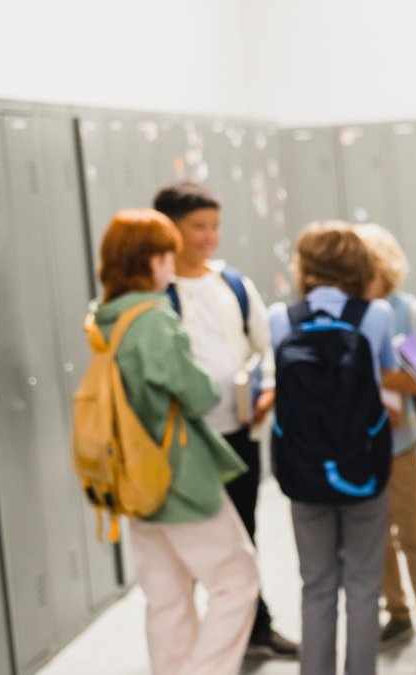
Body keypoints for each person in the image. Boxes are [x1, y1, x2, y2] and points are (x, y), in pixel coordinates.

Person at [92, 209, 259, 675]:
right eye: (167, 251)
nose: (173, 260)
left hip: (133, 476)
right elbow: (200, 392)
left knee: (166, 598)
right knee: (237, 580)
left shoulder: (107, 319)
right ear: (150, 260)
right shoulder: (155, 321)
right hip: (178, 475)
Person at [151, 182, 298, 660]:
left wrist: (270, 387)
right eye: (199, 227)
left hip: (237, 435)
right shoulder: (156, 293)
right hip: (183, 444)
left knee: (243, 537)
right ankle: (198, 643)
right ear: (169, 227)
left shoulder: (231, 283)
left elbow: (266, 346)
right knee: (187, 548)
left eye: (215, 226)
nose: (209, 237)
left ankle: (255, 629)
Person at [268, 222, 398, 675]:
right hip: (362, 466)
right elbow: (387, 378)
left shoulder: (280, 319)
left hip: (303, 470)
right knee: (364, 586)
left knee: (316, 586)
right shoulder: (376, 315)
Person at [355, 223, 416, 672]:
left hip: (400, 445)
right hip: (357, 444)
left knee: (412, 535)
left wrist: (368, 375)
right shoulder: (348, 313)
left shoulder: (408, 313)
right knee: (375, 538)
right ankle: (397, 614)